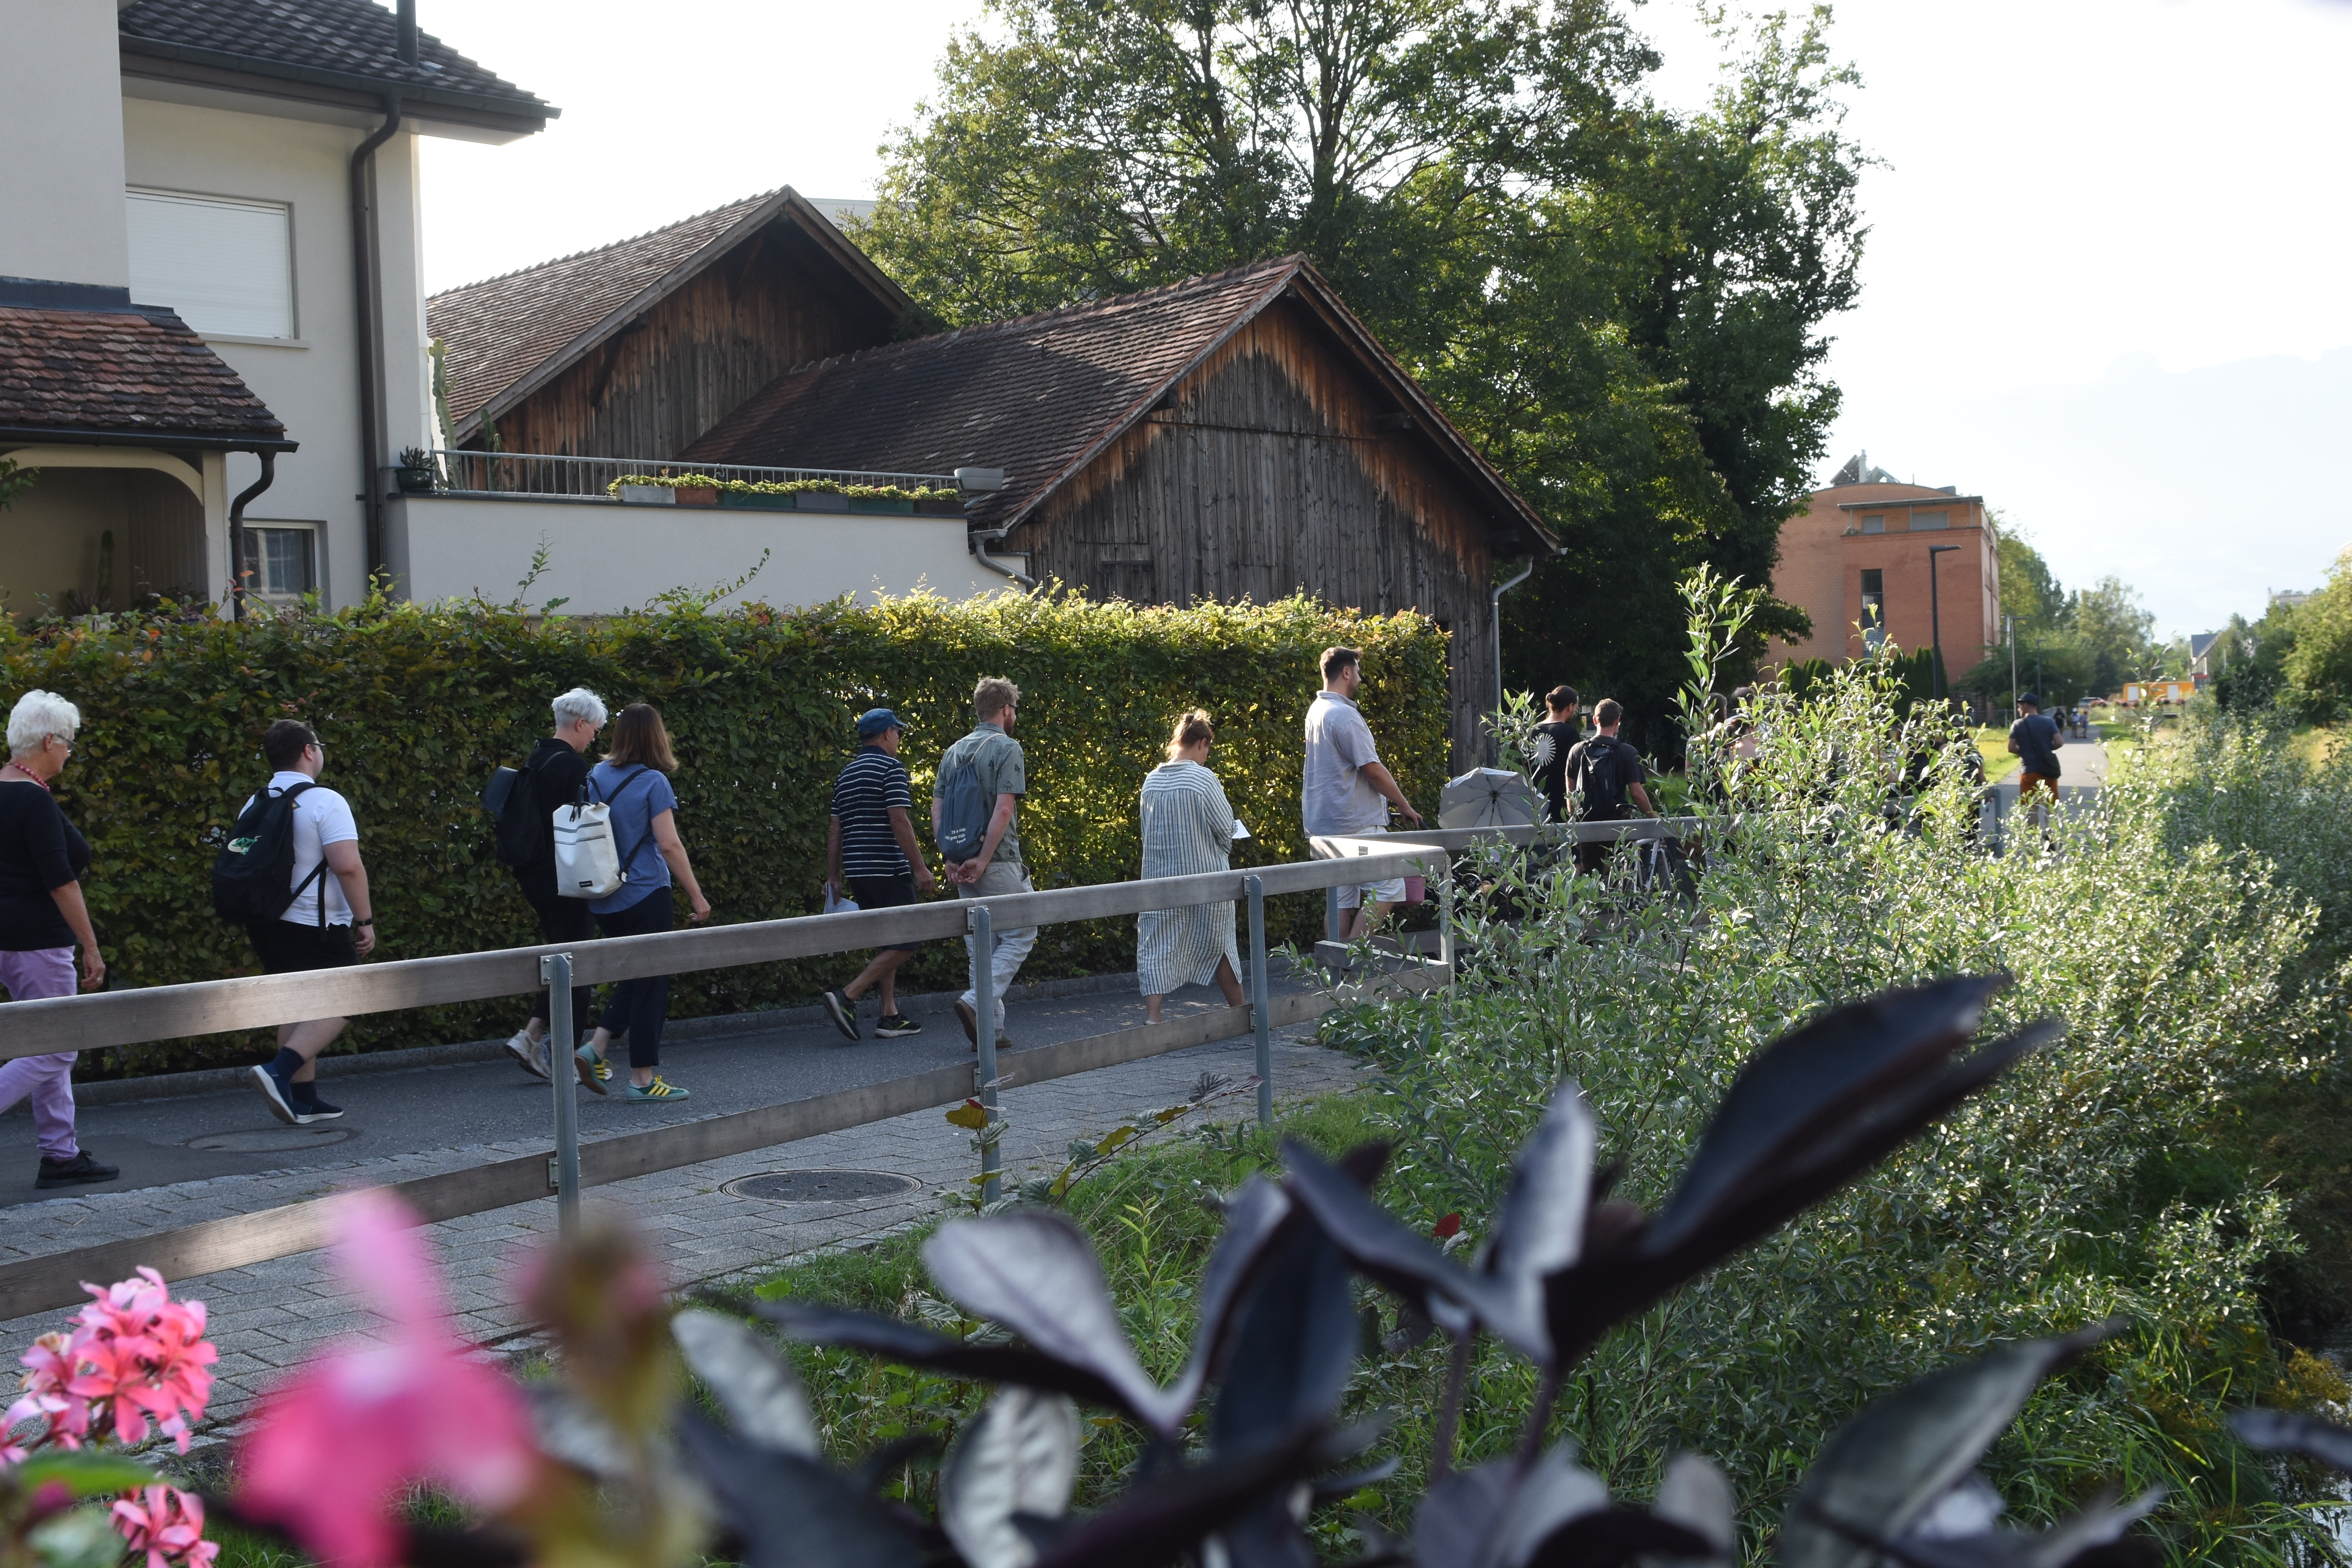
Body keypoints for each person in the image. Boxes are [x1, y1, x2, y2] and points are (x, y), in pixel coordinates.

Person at [0, 691, 117, 1189]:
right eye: (68, 742)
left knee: (45, 1045)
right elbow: (62, 881)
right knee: (58, 1047)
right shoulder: (33, 799)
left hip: (8, 941)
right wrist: (90, 945)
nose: (70, 752)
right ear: (49, 741)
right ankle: (60, 1153)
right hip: (38, 942)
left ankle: (61, 1154)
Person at [572, 704, 712, 1102]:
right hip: (647, 892)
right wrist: (697, 894)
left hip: (604, 896)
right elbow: (669, 844)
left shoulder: (595, 775)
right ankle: (642, 1079)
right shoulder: (654, 782)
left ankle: (597, 1046)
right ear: (656, 736)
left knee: (637, 977)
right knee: (652, 982)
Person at [244, 719, 378, 1127]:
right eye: (318, 746)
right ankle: (279, 1072)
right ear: (308, 751)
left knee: (297, 1004)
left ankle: (301, 1098)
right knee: (354, 995)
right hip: (314, 923)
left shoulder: (257, 800)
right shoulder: (325, 801)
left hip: (266, 920)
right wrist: (365, 920)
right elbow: (348, 867)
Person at [503, 687, 605, 1080]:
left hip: (533, 872)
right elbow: (586, 825)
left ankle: (531, 1036)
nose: (594, 738)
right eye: (594, 729)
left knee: (560, 959)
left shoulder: (536, 758)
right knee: (576, 968)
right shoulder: (574, 768)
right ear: (580, 724)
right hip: (568, 877)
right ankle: (566, 1061)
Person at [818, 709, 938, 1043]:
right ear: (887, 733)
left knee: (888, 941)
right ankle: (848, 996)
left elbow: (835, 829)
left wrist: (834, 877)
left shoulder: (846, 775)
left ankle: (889, 1015)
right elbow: (899, 820)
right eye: (898, 732)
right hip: (888, 868)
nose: (899, 739)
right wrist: (920, 868)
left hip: (858, 872)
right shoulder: (891, 768)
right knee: (907, 942)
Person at [936, 677, 1035, 1050]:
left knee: (982, 944)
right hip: (999, 860)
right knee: (1023, 931)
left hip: (960, 861)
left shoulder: (953, 752)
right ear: (1006, 709)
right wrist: (983, 858)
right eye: (1015, 710)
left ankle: (989, 1033)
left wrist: (951, 857)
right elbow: (1004, 809)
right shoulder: (1007, 747)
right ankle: (975, 1003)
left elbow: (938, 810)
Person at [1301, 645, 1422, 939]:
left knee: (1340, 898)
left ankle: (1337, 962)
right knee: (1389, 888)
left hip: (1325, 824)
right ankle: (1356, 955)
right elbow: (1372, 769)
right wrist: (1404, 805)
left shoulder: (1316, 711)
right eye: (1357, 671)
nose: (1360, 677)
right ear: (1346, 672)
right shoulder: (1345, 715)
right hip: (1356, 822)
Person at [1137, 710, 1246, 1025]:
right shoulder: (1203, 779)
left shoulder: (1151, 781)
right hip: (1206, 878)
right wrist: (1223, 848)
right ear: (1202, 743)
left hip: (1159, 880)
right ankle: (1240, 1014)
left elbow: (1146, 831)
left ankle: (1153, 1018)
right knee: (1220, 943)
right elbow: (1225, 828)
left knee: (1157, 943)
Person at [1563, 698, 1656, 876]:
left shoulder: (1576, 751)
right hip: (1619, 822)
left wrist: (1576, 822)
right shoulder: (1628, 752)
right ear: (1617, 721)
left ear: (1595, 720)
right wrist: (1653, 817)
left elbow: (1570, 794)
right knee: (1622, 874)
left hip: (1588, 823)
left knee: (1591, 876)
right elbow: (1636, 793)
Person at [2008, 691, 2064, 832]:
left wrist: (2024, 751)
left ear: (2026, 705)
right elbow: (2059, 742)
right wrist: (2046, 749)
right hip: (2048, 770)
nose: (2019, 708)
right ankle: (2051, 837)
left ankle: (2035, 840)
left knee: (2031, 808)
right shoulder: (2049, 722)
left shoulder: (2017, 724)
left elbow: (2011, 748)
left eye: (2020, 705)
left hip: (2028, 772)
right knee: (2051, 806)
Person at [1530, 686, 1583, 824]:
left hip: (1535, 807)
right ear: (1570, 707)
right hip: (1562, 808)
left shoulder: (1531, 732)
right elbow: (1577, 772)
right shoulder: (1570, 733)